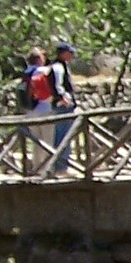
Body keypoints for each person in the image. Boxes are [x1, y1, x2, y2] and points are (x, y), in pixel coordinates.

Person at [47, 41, 80, 173]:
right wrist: (63, 98)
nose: (72, 56)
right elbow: (57, 86)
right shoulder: (58, 67)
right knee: (63, 136)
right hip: (62, 106)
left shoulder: (63, 66)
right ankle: (61, 167)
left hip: (64, 105)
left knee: (65, 135)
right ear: (63, 54)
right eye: (70, 53)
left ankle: (62, 165)